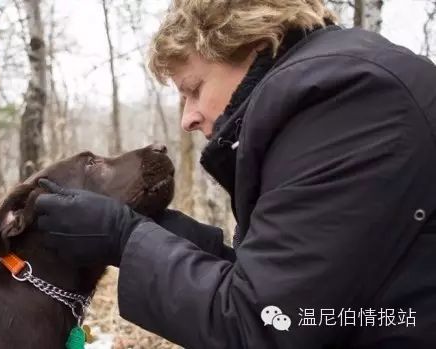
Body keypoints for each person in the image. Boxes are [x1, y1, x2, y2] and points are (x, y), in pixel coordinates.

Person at [34, 0, 436, 347]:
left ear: (254, 45)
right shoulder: (324, 96)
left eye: (194, 88)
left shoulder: (347, 103)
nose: (188, 118)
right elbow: (295, 290)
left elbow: (263, 324)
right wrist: (163, 232)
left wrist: (123, 238)